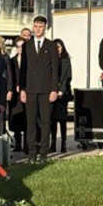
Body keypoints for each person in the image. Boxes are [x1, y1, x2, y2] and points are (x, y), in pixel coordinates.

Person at [18, 15, 59, 163]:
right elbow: (23, 69)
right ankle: (31, 153)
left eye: (41, 26)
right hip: (30, 89)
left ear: (45, 28)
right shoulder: (27, 45)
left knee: (45, 122)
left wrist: (54, 89)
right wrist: (22, 88)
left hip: (46, 89)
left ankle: (43, 153)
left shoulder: (51, 46)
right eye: (35, 26)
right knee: (30, 122)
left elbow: (55, 69)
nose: (38, 29)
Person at [51, 40, 73, 153]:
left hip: (63, 94)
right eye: (55, 47)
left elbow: (68, 77)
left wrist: (61, 90)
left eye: (59, 47)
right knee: (52, 120)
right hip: (52, 92)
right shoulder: (51, 59)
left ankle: (63, 143)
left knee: (62, 119)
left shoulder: (66, 59)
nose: (57, 49)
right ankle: (53, 143)